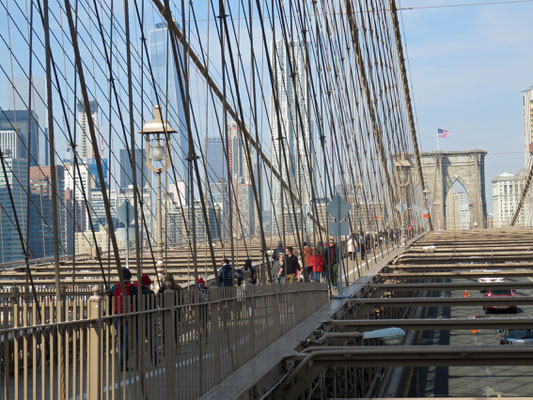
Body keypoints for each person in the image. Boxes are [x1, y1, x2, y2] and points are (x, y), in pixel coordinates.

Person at [108, 267, 137, 371]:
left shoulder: (114, 287)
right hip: (128, 317)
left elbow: (109, 303)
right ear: (129, 277)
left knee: (120, 339)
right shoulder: (132, 288)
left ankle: (122, 362)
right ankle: (123, 364)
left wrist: (110, 319)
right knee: (126, 341)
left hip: (117, 317)